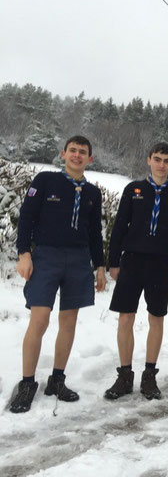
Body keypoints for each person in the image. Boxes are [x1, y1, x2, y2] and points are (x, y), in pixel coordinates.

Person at [11, 135, 106, 413]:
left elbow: (94, 234)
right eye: (73, 151)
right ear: (63, 154)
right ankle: (27, 383)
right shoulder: (44, 182)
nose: (77, 156)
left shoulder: (92, 193)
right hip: (46, 256)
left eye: (83, 152)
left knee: (69, 321)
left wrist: (99, 265)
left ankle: (57, 380)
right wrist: (23, 253)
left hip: (78, 260)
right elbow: (26, 217)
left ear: (90, 159)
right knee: (39, 319)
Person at [105, 142, 168, 401]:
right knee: (125, 318)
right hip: (132, 261)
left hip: (161, 264)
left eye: (167, 160)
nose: (161, 164)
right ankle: (124, 375)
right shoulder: (134, 189)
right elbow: (120, 226)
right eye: (157, 159)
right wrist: (113, 261)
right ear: (148, 160)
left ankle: (149, 376)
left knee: (156, 319)